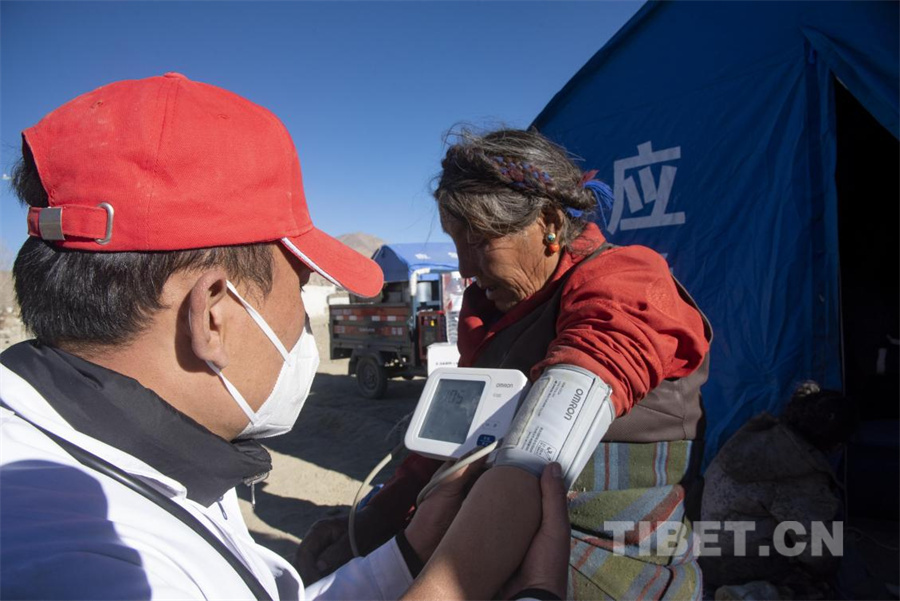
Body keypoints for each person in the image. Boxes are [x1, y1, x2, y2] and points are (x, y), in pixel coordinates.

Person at [0, 75, 568, 600]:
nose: (300, 321)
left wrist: (406, 554)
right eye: (298, 288)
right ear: (213, 314)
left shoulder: (112, 459)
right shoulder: (95, 568)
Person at [298, 128, 713, 599]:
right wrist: (371, 526)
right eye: (456, 242)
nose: (463, 268)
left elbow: (544, 441)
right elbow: (449, 444)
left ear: (549, 223)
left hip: (618, 574)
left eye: (478, 240)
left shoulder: (624, 281)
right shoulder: (489, 314)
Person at [700, 382, 857, 598]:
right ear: (836, 443)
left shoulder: (755, 437)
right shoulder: (800, 473)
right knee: (828, 581)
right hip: (741, 565)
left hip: (705, 554)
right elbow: (818, 550)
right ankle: (756, 593)